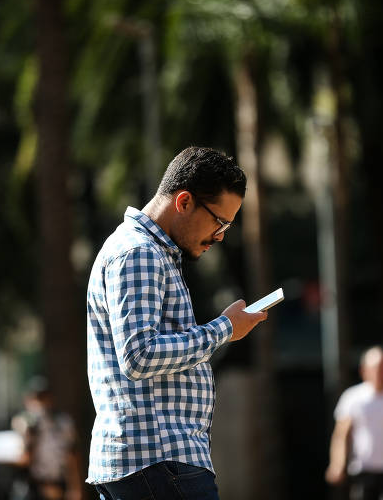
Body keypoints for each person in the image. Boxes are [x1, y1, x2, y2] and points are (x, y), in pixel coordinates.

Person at [85, 146, 268, 500]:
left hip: (155, 462)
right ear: (184, 202)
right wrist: (224, 329)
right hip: (157, 460)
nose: (220, 236)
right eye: (220, 221)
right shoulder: (139, 252)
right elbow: (139, 355)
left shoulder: (150, 252)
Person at [325, 346, 383, 500]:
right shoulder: (352, 397)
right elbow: (341, 435)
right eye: (377, 367)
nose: (381, 372)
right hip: (363, 469)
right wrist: (337, 463)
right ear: (365, 370)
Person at [11, 377, 83, 500]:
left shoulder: (64, 423)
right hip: (32, 487)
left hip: (58, 485)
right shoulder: (22, 423)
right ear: (27, 401)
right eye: (36, 398)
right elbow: (23, 459)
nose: (40, 403)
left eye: (43, 398)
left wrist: (76, 489)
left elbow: (72, 455)